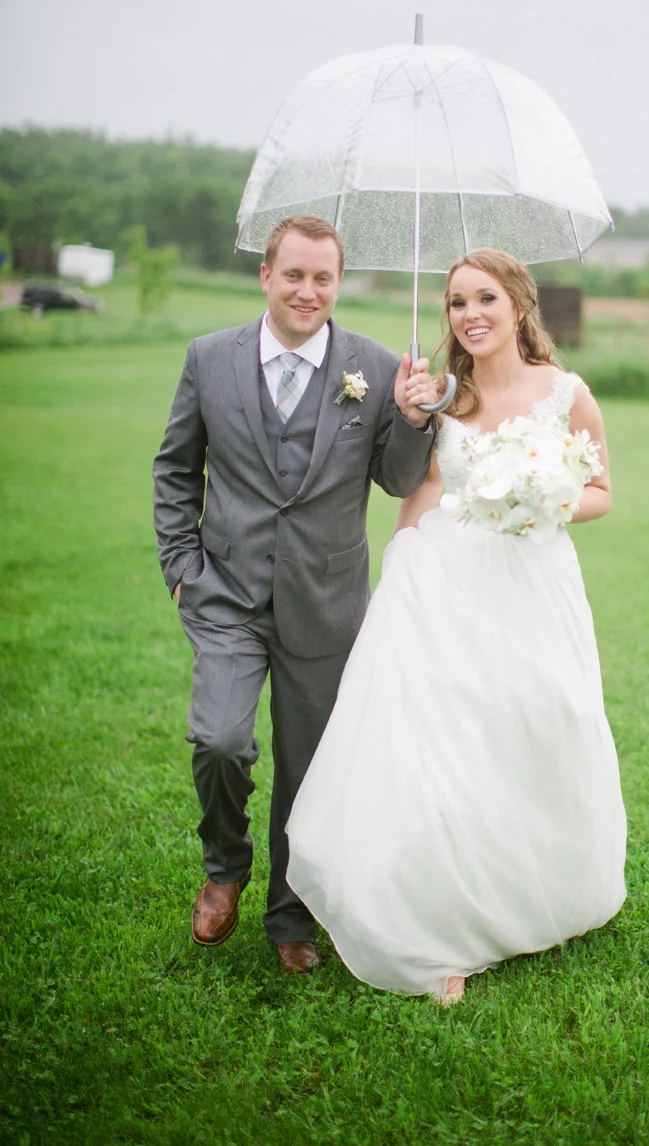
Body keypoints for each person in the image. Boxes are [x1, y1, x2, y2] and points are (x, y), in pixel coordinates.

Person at [286, 248, 627, 1003]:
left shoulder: (564, 392)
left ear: (518, 307)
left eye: (485, 300)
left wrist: (545, 497)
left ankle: (539, 888)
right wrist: (406, 550)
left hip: (532, 580)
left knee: (539, 725)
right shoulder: (448, 396)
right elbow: (430, 485)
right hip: (444, 577)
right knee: (442, 744)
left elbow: (602, 488)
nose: (469, 315)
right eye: (456, 303)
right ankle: (439, 926)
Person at [152, 214, 439, 975]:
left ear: (337, 283)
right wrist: (181, 564)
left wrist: (413, 420)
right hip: (226, 594)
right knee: (219, 739)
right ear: (266, 276)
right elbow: (176, 467)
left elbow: (402, 480)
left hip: (327, 599)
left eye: (323, 278)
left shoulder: (376, 368)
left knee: (309, 767)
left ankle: (290, 914)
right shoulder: (208, 360)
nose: (308, 291)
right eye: (294, 275)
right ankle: (226, 864)